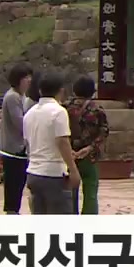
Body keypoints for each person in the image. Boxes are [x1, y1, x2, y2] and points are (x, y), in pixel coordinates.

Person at [23, 72, 80, 215]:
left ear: (40, 91)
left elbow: (29, 142)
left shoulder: (29, 114)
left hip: (34, 172)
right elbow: (62, 141)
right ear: (61, 91)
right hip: (54, 173)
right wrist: (73, 169)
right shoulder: (59, 112)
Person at [66, 75, 110, 214]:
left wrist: (70, 149)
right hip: (89, 156)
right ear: (92, 91)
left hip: (68, 156)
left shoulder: (65, 108)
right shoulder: (97, 109)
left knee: (70, 192)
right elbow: (104, 131)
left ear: (74, 90)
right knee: (90, 192)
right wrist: (90, 147)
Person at [0, 64, 34, 215]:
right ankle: (11, 211)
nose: (29, 81)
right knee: (13, 183)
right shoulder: (12, 97)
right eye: (26, 78)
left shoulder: (22, 97)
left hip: (21, 147)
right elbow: (19, 122)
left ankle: (14, 209)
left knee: (19, 182)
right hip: (13, 148)